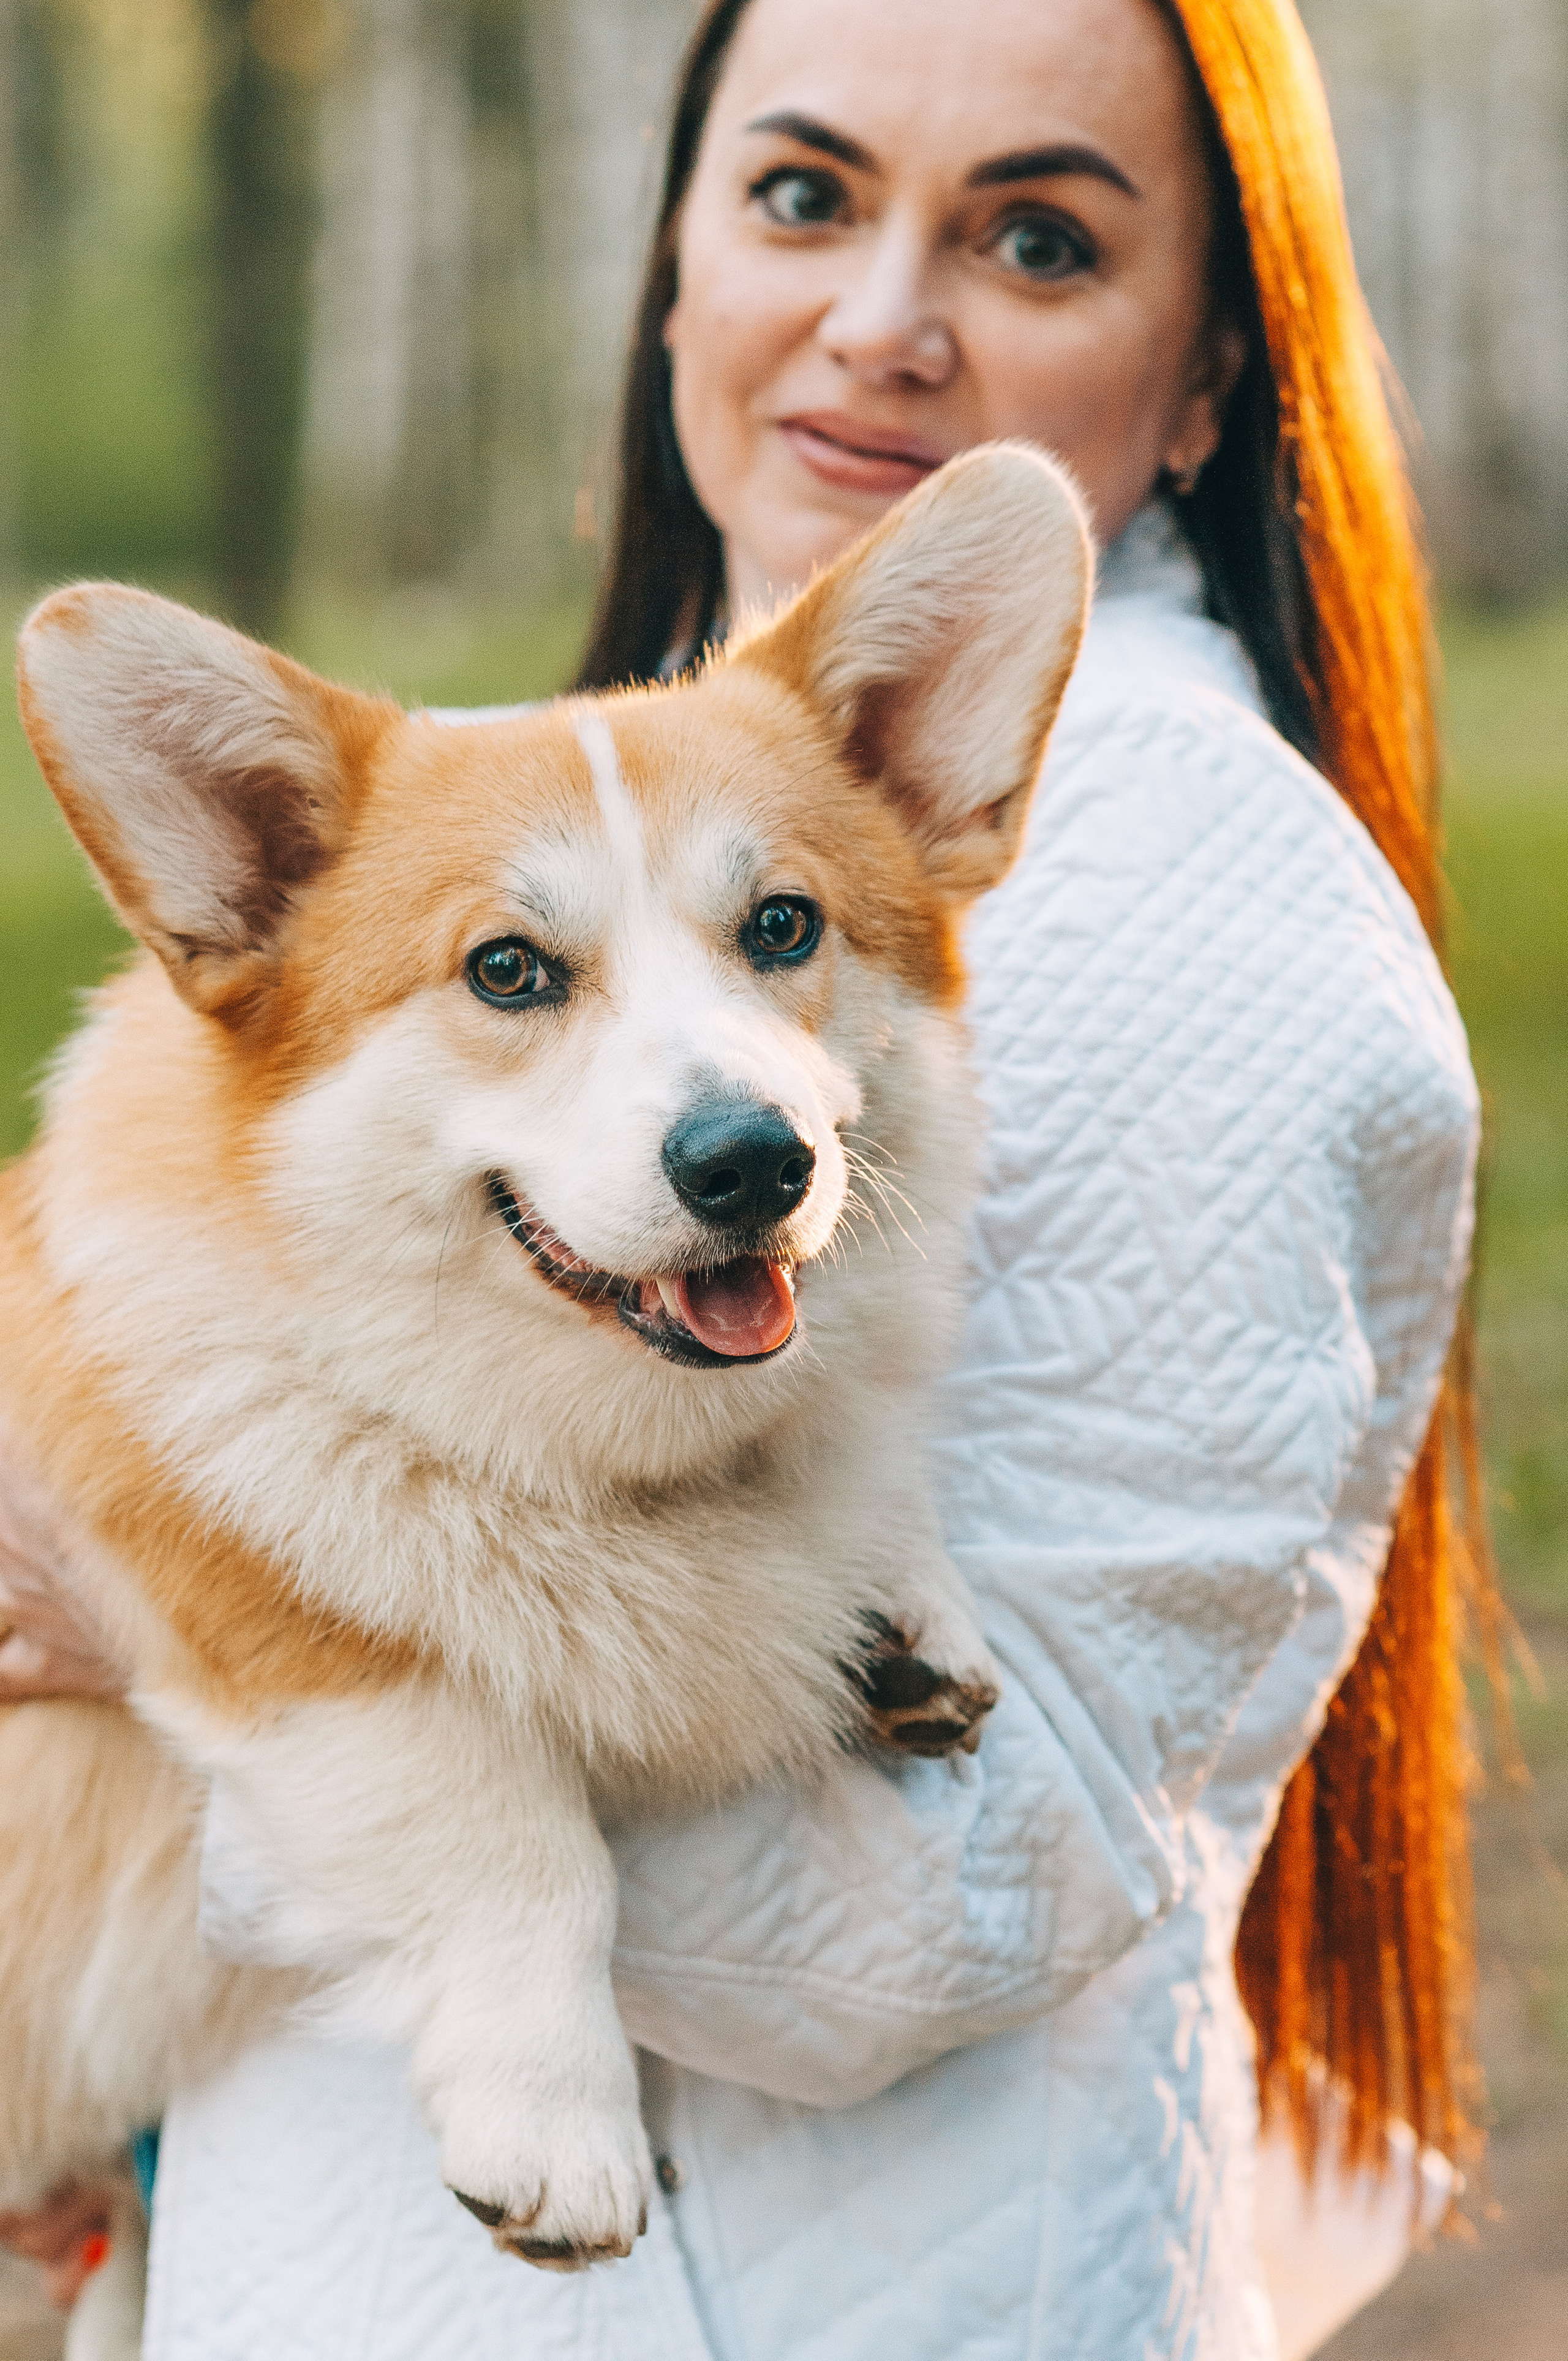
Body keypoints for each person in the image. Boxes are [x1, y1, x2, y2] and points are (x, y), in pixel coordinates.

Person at [1, 0, 1482, 2354]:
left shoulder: (1187, 876)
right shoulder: (649, 759)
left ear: (1215, 371)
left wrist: (172, 1614)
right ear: (674, 262)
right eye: (802, 197)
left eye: (1032, 236)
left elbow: (996, 1868)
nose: (882, 321)